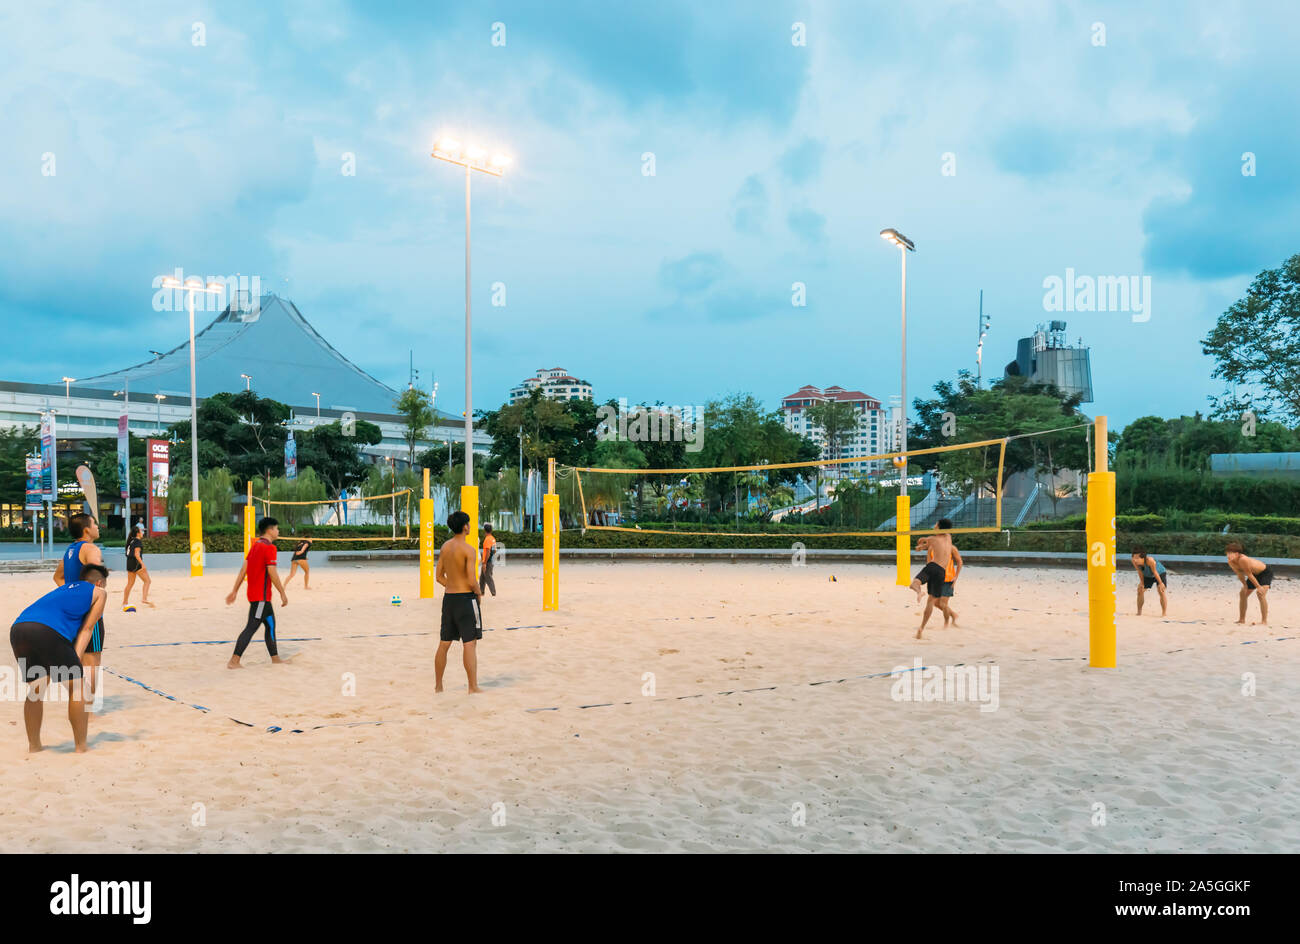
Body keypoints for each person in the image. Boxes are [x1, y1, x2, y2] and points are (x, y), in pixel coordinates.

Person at [10, 563, 110, 753]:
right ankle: (81, 747)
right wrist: (76, 660)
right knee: (78, 686)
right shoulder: (100, 593)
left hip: (19, 628)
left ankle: (34, 746)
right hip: (48, 631)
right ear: (99, 583)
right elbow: (87, 629)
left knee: (35, 690)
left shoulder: (63, 590)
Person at [53, 512, 108, 694]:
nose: (97, 527)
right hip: (88, 610)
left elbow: (58, 577)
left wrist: (71, 593)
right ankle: (89, 707)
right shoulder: (91, 549)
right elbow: (94, 574)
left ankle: (78, 698)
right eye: (95, 524)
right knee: (92, 660)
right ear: (87, 530)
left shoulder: (70, 550)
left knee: (78, 657)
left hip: (70, 612)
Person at [225, 517, 289, 668]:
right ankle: (234, 661)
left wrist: (235, 590)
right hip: (261, 597)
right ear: (270, 530)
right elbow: (272, 572)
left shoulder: (255, 546)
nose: (278, 531)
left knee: (271, 625)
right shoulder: (269, 548)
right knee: (251, 627)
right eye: (277, 528)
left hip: (257, 595)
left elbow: (243, 570)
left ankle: (275, 658)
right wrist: (282, 592)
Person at [435, 510, 483, 693]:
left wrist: (453, 585)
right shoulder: (468, 550)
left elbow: (439, 577)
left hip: (449, 599)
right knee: (469, 643)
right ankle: (472, 687)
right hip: (465, 599)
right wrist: (478, 593)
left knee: (444, 643)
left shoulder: (445, 547)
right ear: (465, 526)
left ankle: (438, 686)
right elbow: (472, 580)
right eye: (469, 523)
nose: (470, 526)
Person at [911, 519, 960, 639]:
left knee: (914, 583)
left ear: (938, 526)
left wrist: (921, 544)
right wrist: (923, 546)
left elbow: (922, 541)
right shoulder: (949, 537)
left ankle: (918, 591)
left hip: (932, 567)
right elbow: (929, 544)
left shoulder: (932, 538)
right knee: (931, 602)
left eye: (936, 524)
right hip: (941, 572)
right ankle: (921, 628)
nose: (934, 525)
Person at [1226, 541, 1272, 625]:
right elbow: (1240, 574)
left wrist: (1258, 587)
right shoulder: (1230, 562)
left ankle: (1264, 621)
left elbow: (1249, 574)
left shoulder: (1243, 559)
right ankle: (1241, 620)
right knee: (1242, 593)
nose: (1228, 555)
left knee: (1260, 594)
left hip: (1265, 573)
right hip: (1254, 575)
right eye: (1227, 553)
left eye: (1230, 553)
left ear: (1237, 554)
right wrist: (1245, 585)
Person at [122, 522, 153, 609]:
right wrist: (143, 564)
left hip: (129, 562)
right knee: (147, 581)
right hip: (136, 563)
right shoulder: (138, 541)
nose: (143, 533)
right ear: (138, 533)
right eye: (141, 531)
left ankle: (124, 602)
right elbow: (136, 554)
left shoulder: (131, 541)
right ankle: (144, 599)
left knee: (130, 584)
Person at [1131, 546, 1168, 616]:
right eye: (1133, 557)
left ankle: (1164, 613)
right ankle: (1139, 612)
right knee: (1140, 590)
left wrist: (1160, 583)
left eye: (1137, 558)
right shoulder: (1134, 561)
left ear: (1143, 558)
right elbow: (1139, 571)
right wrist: (1142, 583)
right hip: (1147, 575)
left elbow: (1155, 572)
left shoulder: (1150, 560)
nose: (1135, 560)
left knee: (1161, 591)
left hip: (1159, 573)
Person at [479, 524, 497, 597]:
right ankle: (481, 591)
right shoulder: (493, 538)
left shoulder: (487, 539)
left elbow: (488, 551)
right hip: (491, 560)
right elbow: (495, 550)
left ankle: (493, 592)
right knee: (482, 577)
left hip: (487, 561)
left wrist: (484, 563)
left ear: (484, 530)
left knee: (488, 576)